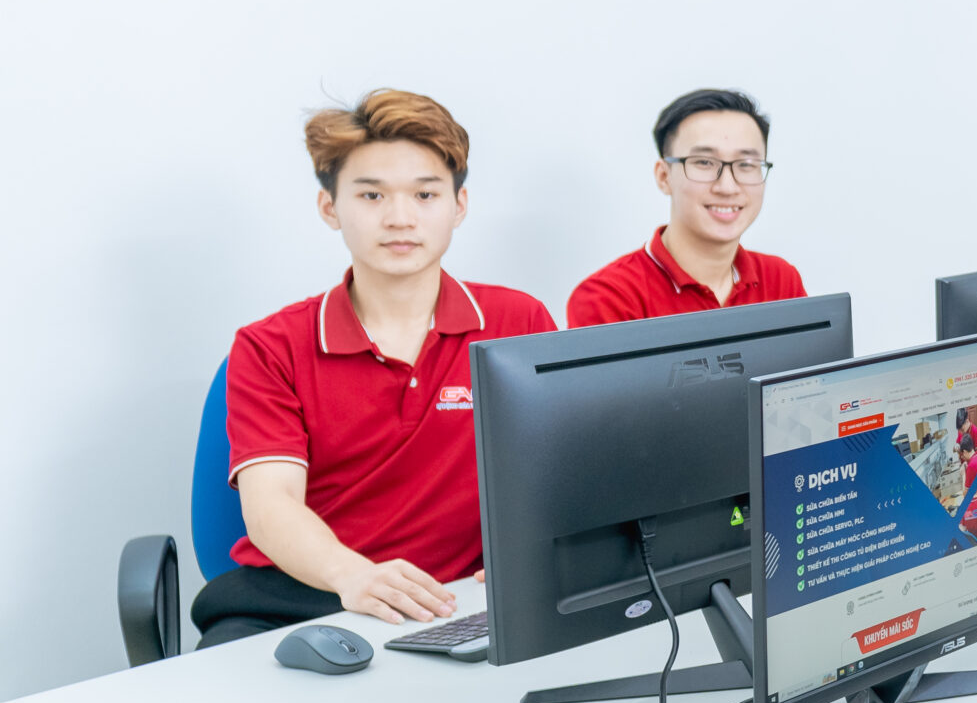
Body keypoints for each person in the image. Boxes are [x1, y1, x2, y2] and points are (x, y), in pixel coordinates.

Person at [195, 91, 556, 648]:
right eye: (371, 195)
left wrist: (530, 546)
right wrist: (353, 576)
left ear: (459, 206)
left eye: (425, 194)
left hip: (461, 599)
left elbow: (553, 469)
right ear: (330, 208)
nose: (400, 218)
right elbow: (271, 505)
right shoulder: (270, 346)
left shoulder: (518, 320)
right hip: (305, 598)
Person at [567, 88, 807, 326]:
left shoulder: (780, 282)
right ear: (664, 176)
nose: (727, 187)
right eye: (704, 162)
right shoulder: (608, 299)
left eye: (746, 164)